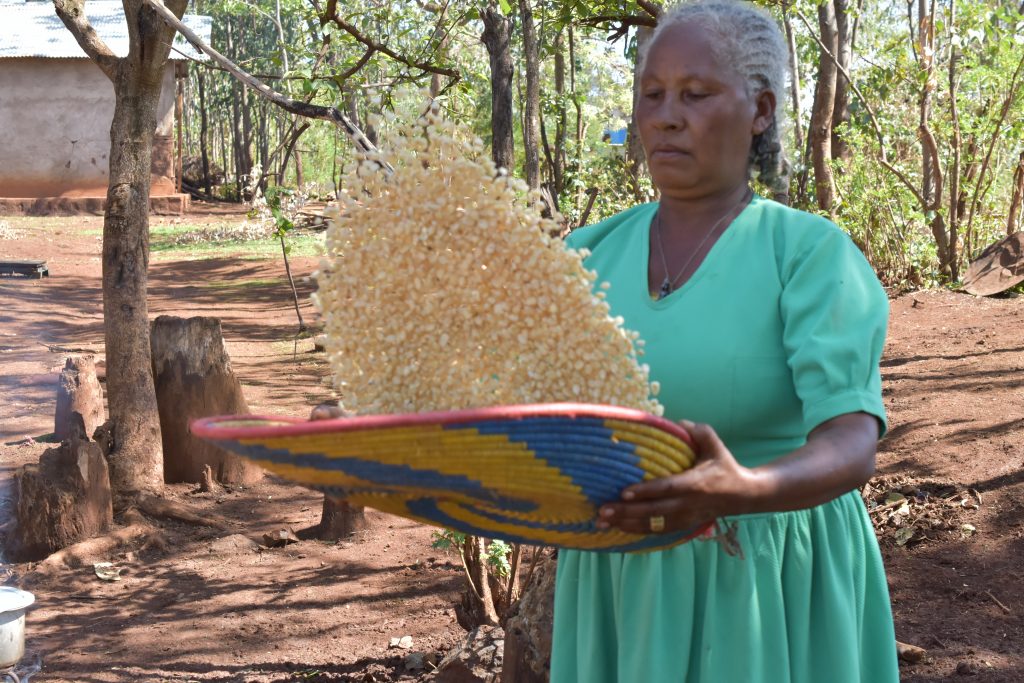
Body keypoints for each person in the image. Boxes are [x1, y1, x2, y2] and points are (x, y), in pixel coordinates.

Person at [550, 1, 899, 681]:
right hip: (623, 581)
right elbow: (505, 406)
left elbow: (852, 440)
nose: (665, 115)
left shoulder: (807, 256)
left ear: (760, 109)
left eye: (696, 93)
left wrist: (744, 486)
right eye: (652, 94)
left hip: (766, 576)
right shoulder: (584, 258)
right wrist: (375, 436)